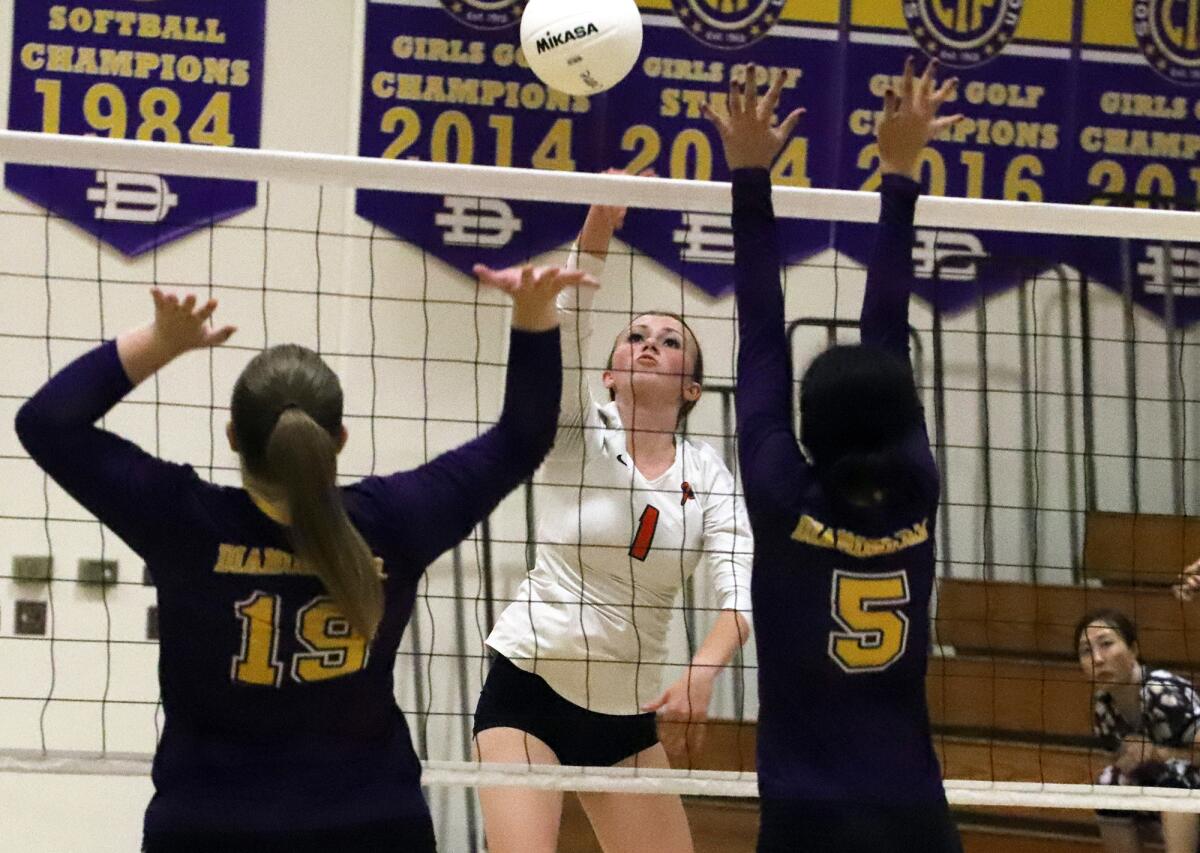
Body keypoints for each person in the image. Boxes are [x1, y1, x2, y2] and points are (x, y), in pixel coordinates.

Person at [15, 263, 591, 853]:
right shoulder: (398, 520)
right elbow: (522, 437)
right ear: (339, 439)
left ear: (233, 435)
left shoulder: (183, 522)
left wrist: (161, 342)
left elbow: (46, 424)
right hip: (371, 826)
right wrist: (532, 314)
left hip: (208, 828)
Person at [704, 59, 963, 852]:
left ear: (808, 428)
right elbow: (886, 330)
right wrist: (901, 172)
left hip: (806, 811)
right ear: (899, 419)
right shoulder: (917, 490)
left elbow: (759, 340)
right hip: (912, 809)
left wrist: (750, 179)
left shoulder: (785, 495)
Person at [472, 187, 754, 853]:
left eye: (669, 341)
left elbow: (738, 593)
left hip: (626, 716)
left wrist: (704, 668)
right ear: (608, 374)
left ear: (692, 389)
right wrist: (597, 225)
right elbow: (568, 322)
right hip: (529, 690)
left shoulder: (708, 473)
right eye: (636, 337)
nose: (649, 344)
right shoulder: (578, 431)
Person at [1076, 609, 1200, 853]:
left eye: (1106, 644)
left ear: (1133, 651)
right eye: (1086, 651)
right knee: (1109, 783)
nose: (1097, 659)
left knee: (1175, 778)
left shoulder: (1162, 691)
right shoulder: (1103, 705)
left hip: (1186, 792)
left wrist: (1157, 754)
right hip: (1171, 804)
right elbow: (1121, 760)